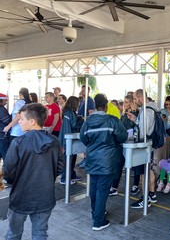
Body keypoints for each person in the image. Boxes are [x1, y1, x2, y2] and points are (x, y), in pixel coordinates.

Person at [2, 103, 64, 240]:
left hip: (20, 196)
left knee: (13, 235)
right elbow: (60, 167)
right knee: (40, 234)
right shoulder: (54, 141)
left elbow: (8, 170)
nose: (19, 121)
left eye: (22, 119)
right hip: (45, 196)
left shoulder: (18, 142)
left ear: (32, 121)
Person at [80, 94, 128, 231]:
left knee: (94, 188)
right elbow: (123, 136)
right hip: (107, 161)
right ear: (106, 106)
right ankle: (98, 221)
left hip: (92, 159)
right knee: (102, 190)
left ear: (95, 106)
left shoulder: (88, 121)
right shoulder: (112, 120)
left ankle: (96, 213)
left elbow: (84, 138)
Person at [127, 89, 158, 208]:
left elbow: (143, 131)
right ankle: (151, 194)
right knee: (148, 170)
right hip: (149, 144)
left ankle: (145, 199)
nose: (133, 101)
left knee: (144, 173)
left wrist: (135, 136)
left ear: (140, 98)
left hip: (143, 146)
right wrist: (135, 119)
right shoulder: (151, 109)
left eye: (134, 98)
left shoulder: (146, 111)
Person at [59, 96, 84, 185]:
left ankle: (71, 175)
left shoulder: (68, 112)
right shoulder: (69, 113)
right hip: (68, 138)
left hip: (67, 137)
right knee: (68, 158)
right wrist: (81, 119)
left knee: (72, 157)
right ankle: (64, 178)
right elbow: (75, 124)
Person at [0, 93, 11, 161]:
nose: (6, 102)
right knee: (5, 153)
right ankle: (6, 170)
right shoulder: (1, 109)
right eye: (5, 100)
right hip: (2, 134)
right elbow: (7, 121)